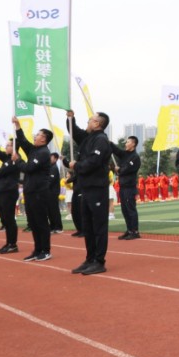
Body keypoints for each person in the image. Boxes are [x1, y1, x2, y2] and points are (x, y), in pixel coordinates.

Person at [65, 109, 113, 274]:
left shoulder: (101, 140)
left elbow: (93, 161)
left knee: (98, 226)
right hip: (85, 187)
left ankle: (99, 261)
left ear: (97, 123)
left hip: (96, 188)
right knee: (88, 226)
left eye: (90, 120)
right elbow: (74, 131)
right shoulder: (88, 138)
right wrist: (71, 119)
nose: (87, 123)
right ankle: (90, 258)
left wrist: (76, 166)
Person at [12, 120, 55, 262]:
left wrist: (18, 161)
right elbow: (23, 141)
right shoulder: (34, 150)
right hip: (30, 191)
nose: (35, 136)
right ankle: (37, 250)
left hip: (39, 192)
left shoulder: (43, 153)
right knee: (33, 223)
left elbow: (29, 168)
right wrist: (18, 126)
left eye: (38, 134)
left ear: (44, 139)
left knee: (41, 222)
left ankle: (46, 250)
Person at [113, 134, 142, 240]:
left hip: (129, 187)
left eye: (128, 142)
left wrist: (119, 170)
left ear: (133, 144)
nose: (126, 144)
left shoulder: (135, 157)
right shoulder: (125, 154)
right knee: (124, 210)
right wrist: (108, 143)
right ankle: (129, 230)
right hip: (123, 186)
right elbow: (116, 150)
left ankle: (135, 231)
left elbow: (127, 169)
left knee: (130, 209)